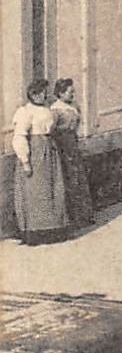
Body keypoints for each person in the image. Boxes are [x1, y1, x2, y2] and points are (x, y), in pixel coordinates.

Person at [11, 78, 70, 243]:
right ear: (33, 94)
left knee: (53, 189)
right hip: (35, 153)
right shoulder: (25, 112)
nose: (45, 95)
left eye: (45, 91)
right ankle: (35, 233)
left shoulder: (46, 110)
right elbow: (20, 137)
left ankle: (54, 230)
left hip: (49, 152)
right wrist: (25, 162)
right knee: (36, 191)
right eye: (42, 92)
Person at [50, 78, 94, 230]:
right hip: (63, 146)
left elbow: (77, 124)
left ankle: (84, 215)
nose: (73, 95)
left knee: (78, 177)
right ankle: (72, 219)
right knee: (68, 179)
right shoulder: (56, 109)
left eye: (73, 91)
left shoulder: (74, 106)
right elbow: (52, 130)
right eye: (70, 92)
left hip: (73, 143)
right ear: (61, 93)